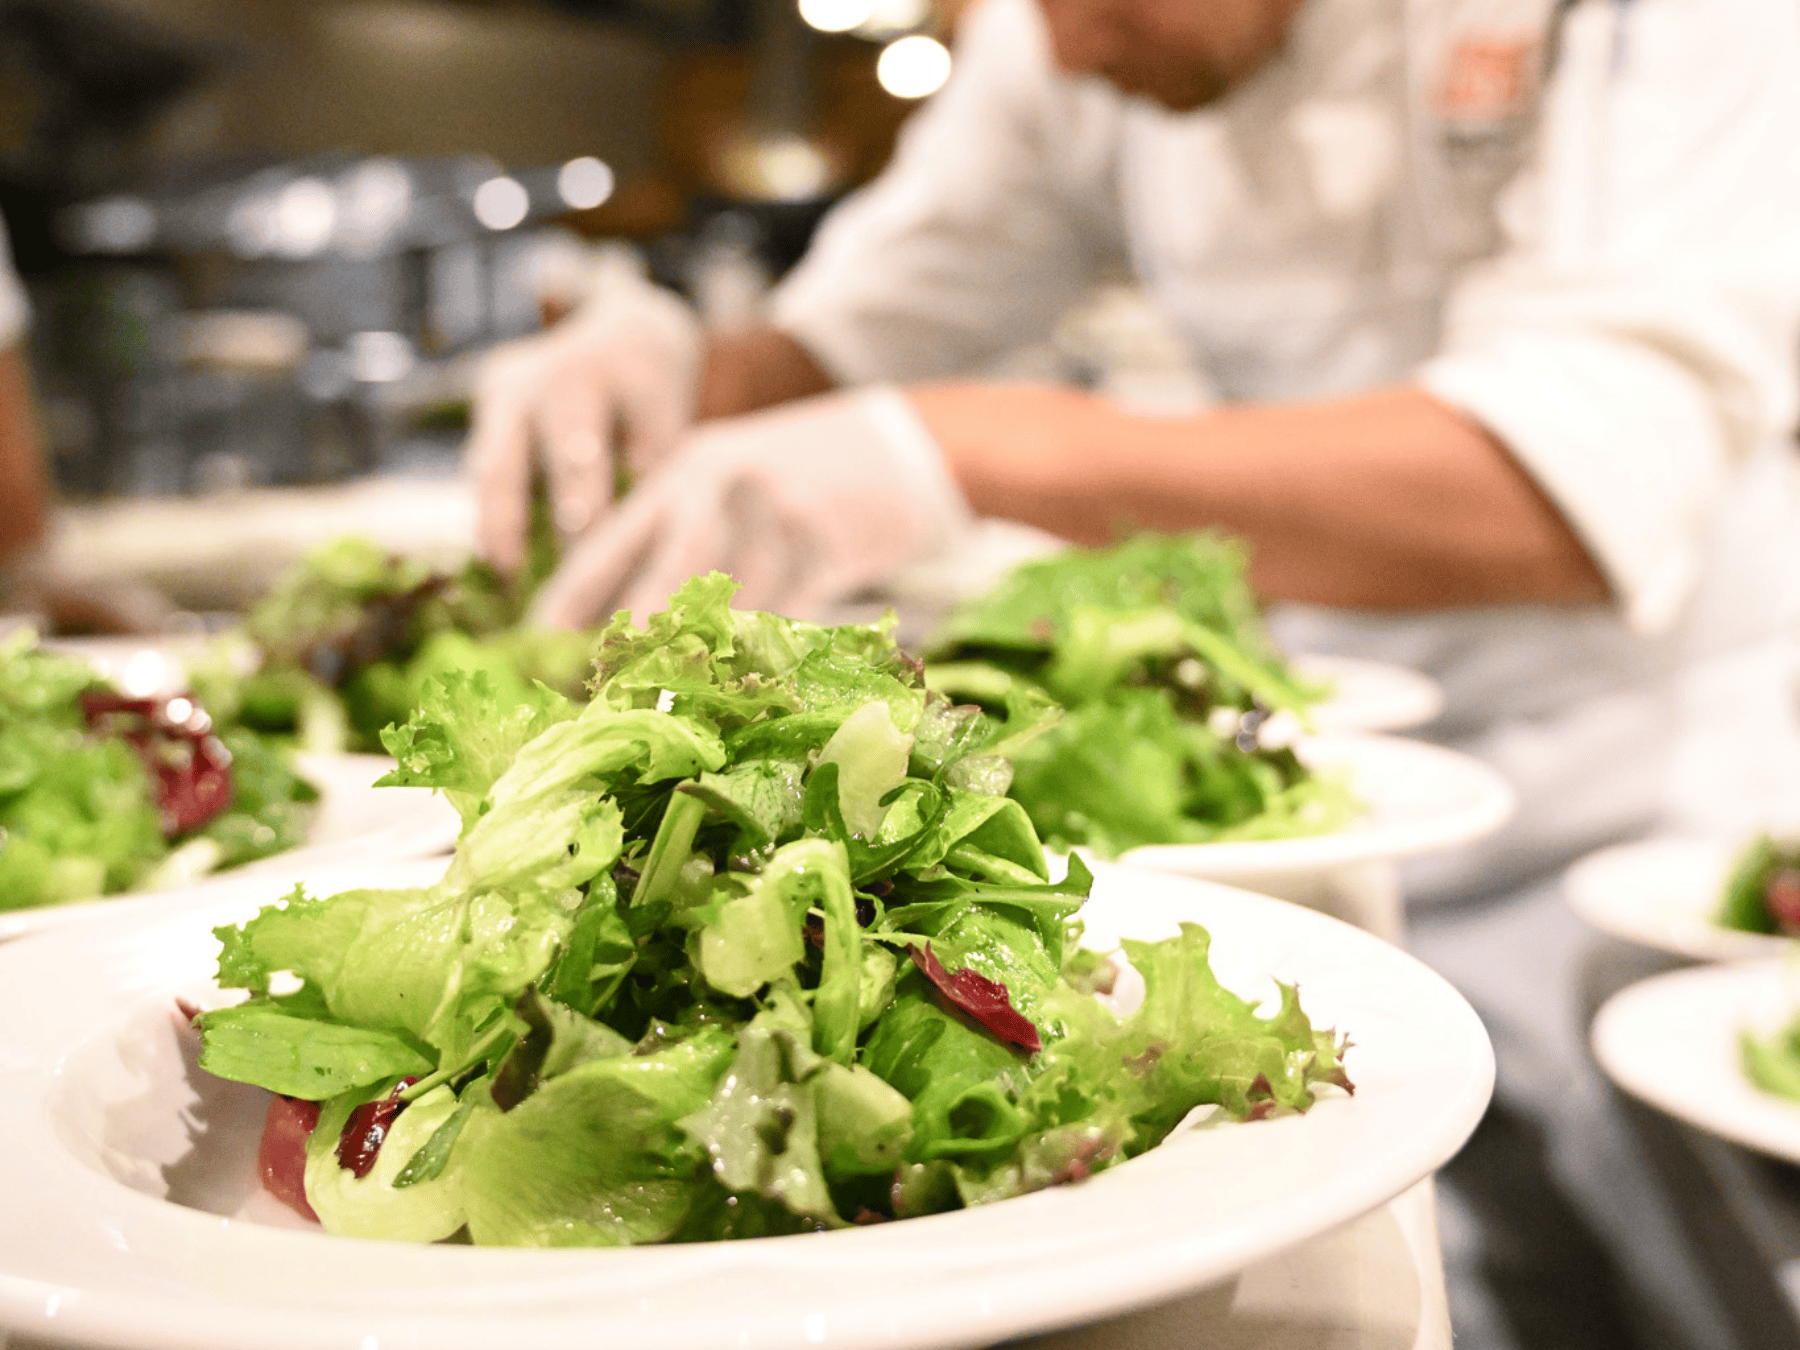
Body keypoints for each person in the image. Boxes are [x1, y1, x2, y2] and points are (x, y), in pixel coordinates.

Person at [465, 2, 1800, 1345]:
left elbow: (1580, 483)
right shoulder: (1064, 36)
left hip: (1639, 810)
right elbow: (866, 329)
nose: (1063, 49)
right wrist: (673, 364)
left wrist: (972, 448)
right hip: (1319, 792)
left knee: (1708, 1292)